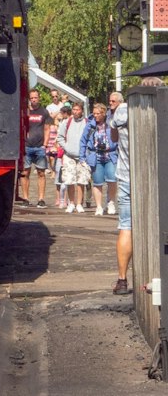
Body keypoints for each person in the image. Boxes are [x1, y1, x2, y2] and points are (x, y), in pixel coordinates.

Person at [17, 88, 51, 207]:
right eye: (31, 98)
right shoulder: (25, 111)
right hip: (27, 147)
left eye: (35, 97)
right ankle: (26, 198)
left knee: (41, 173)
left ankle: (41, 199)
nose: (34, 100)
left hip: (39, 147)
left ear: (39, 98)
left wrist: (45, 145)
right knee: (25, 173)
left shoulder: (44, 112)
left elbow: (47, 129)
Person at [82, 102, 117, 215]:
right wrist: (82, 157)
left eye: (98, 113)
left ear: (103, 113)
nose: (95, 115)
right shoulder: (90, 125)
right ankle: (99, 206)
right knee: (97, 182)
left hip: (110, 155)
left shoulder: (110, 122)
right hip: (95, 156)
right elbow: (83, 140)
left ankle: (110, 203)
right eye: (94, 113)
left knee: (112, 180)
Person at [111, 95, 131, 295]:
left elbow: (114, 137)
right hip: (154, 177)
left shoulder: (122, 110)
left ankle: (122, 280)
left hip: (126, 176)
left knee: (126, 226)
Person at [58, 100, 90, 212]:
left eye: (78, 110)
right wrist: (66, 147)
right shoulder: (67, 122)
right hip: (69, 155)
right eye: (74, 110)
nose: (75, 112)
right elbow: (60, 137)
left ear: (82, 111)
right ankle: (71, 203)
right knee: (69, 180)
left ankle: (79, 203)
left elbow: (90, 138)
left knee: (81, 180)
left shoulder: (87, 122)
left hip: (82, 156)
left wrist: (87, 151)